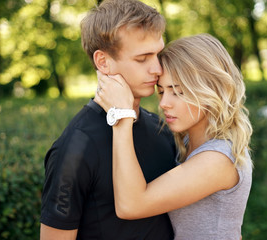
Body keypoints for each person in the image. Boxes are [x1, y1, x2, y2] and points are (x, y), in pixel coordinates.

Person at [40, 0, 176, 239]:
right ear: (103, 62)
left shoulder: (162, 127)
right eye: (142, 58)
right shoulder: (74, 148)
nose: (157, 68)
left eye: (158, 54)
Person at [96, 33, 253, 240]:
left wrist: (121, 116)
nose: (164, 104)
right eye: (161, 91)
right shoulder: (189, 143)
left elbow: (130, 206)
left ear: (210, 89)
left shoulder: (218, 159)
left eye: (177, 92)